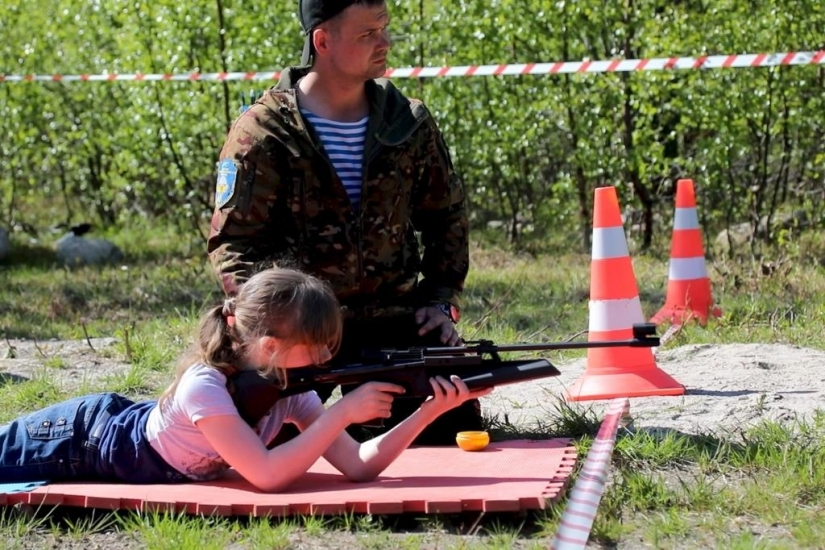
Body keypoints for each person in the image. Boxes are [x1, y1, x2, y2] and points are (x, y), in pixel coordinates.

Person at [207, 0, 482, 445]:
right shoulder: (263, 131)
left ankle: (358, 423)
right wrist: (268, 324)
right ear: (323, 41)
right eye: (368, 33)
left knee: (452, 426)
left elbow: (446, 218)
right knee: (246, 440)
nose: (385, 42)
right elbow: (234, 243)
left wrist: (439, 302)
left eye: (385, 28)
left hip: (393, 322)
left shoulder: (408, 123)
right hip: (297, 329)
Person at [0, 268, 488, 491]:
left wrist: (431, 411)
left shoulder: (286, 390)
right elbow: (266, 474)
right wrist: (342, 411)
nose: (327, 357)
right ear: (271, 348)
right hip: (82, 437)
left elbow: (358, 466)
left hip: (109, 438)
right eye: (317, 345)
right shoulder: (204, 386)